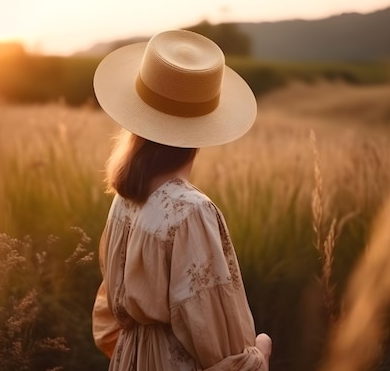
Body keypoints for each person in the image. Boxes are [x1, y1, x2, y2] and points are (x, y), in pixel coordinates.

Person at [91, 29, 272, 371]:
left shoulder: (125, 199)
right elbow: (217, 345)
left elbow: (108, 313)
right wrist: (260, 353)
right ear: (204, 126)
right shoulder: (191, 212)